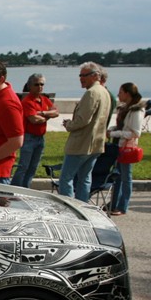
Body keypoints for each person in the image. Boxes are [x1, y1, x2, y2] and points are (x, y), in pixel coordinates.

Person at [58, 62, 110, 201]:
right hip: (96, 144)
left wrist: (69, 124)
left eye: (84, 75)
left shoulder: (92, 93)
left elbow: (82, 120)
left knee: (65, 179)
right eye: (80, 75)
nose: (81, 78)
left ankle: (69, 208)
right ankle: (83, 206)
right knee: (85, 179)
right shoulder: (104, 92)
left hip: (81, 144)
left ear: (95, 76)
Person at [12, 74, 59, 188]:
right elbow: (33, 119)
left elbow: (56, 112)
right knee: (24, 166)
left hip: (40, 138)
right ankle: (14, 189)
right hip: (29, 138)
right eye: (36, 84)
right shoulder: (27, 101)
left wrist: (42, 113)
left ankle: (26, 189)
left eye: (42, 84)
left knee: (33, 167)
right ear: (30, 86)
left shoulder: (45, 100)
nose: (39, 87)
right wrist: (48, 116)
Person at [107, 82, 144, 216]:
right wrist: (112, 130)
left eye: (121, 92)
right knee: (117, 176)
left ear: (127, 94)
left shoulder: (136, 111)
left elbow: (135, 133)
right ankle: (114, 203)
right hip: (119, 145)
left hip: (126, 148)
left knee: (125, 177)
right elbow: (122, 127)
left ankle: (122, 206)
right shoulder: (125, 108)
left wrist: (113, 134)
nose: (118, 94)